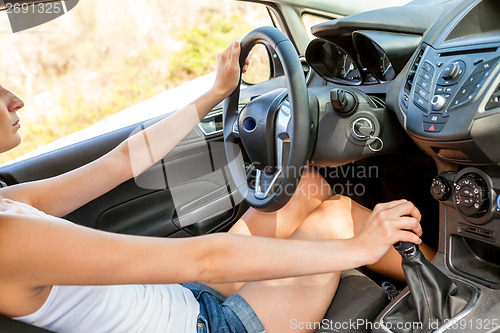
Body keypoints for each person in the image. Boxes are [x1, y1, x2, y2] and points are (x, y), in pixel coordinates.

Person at [0, 40, 434, 333]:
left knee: (304, 185)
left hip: (181, 298)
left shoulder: (7, 204)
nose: (14, 98)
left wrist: (215, 92)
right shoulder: (7, 238)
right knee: (340, 219)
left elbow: (124, 160)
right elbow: (206, 259)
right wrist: (360, 247)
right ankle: (453, 289)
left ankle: (438, 277)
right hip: (211, 324)